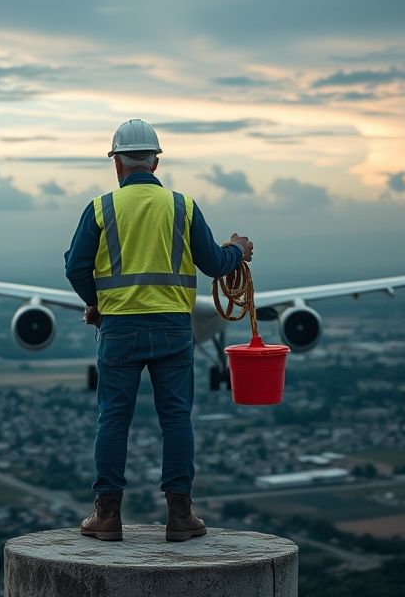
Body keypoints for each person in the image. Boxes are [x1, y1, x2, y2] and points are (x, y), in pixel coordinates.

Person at [64, 119, 253, 542]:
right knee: (176, 420)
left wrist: (96, 303)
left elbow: (75, 267)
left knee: (113, 418)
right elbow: (214, 264)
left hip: (120, 330)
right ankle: (181, 516)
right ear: (155, 161)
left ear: (117, 164)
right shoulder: (183, 207)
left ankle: (107, 516)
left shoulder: (100, 208)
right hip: (173, 328)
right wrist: (238, 251)